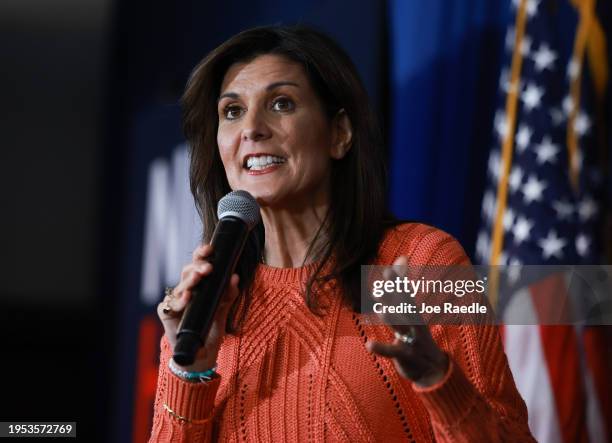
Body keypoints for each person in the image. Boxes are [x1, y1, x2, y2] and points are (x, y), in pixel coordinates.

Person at [149, 25, 535, 442]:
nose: (252, 128)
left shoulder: (418, 263)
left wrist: (438, 380)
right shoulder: (212, 305)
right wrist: (190, 372)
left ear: (339, 133)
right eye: (232, 111)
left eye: (281, 104)